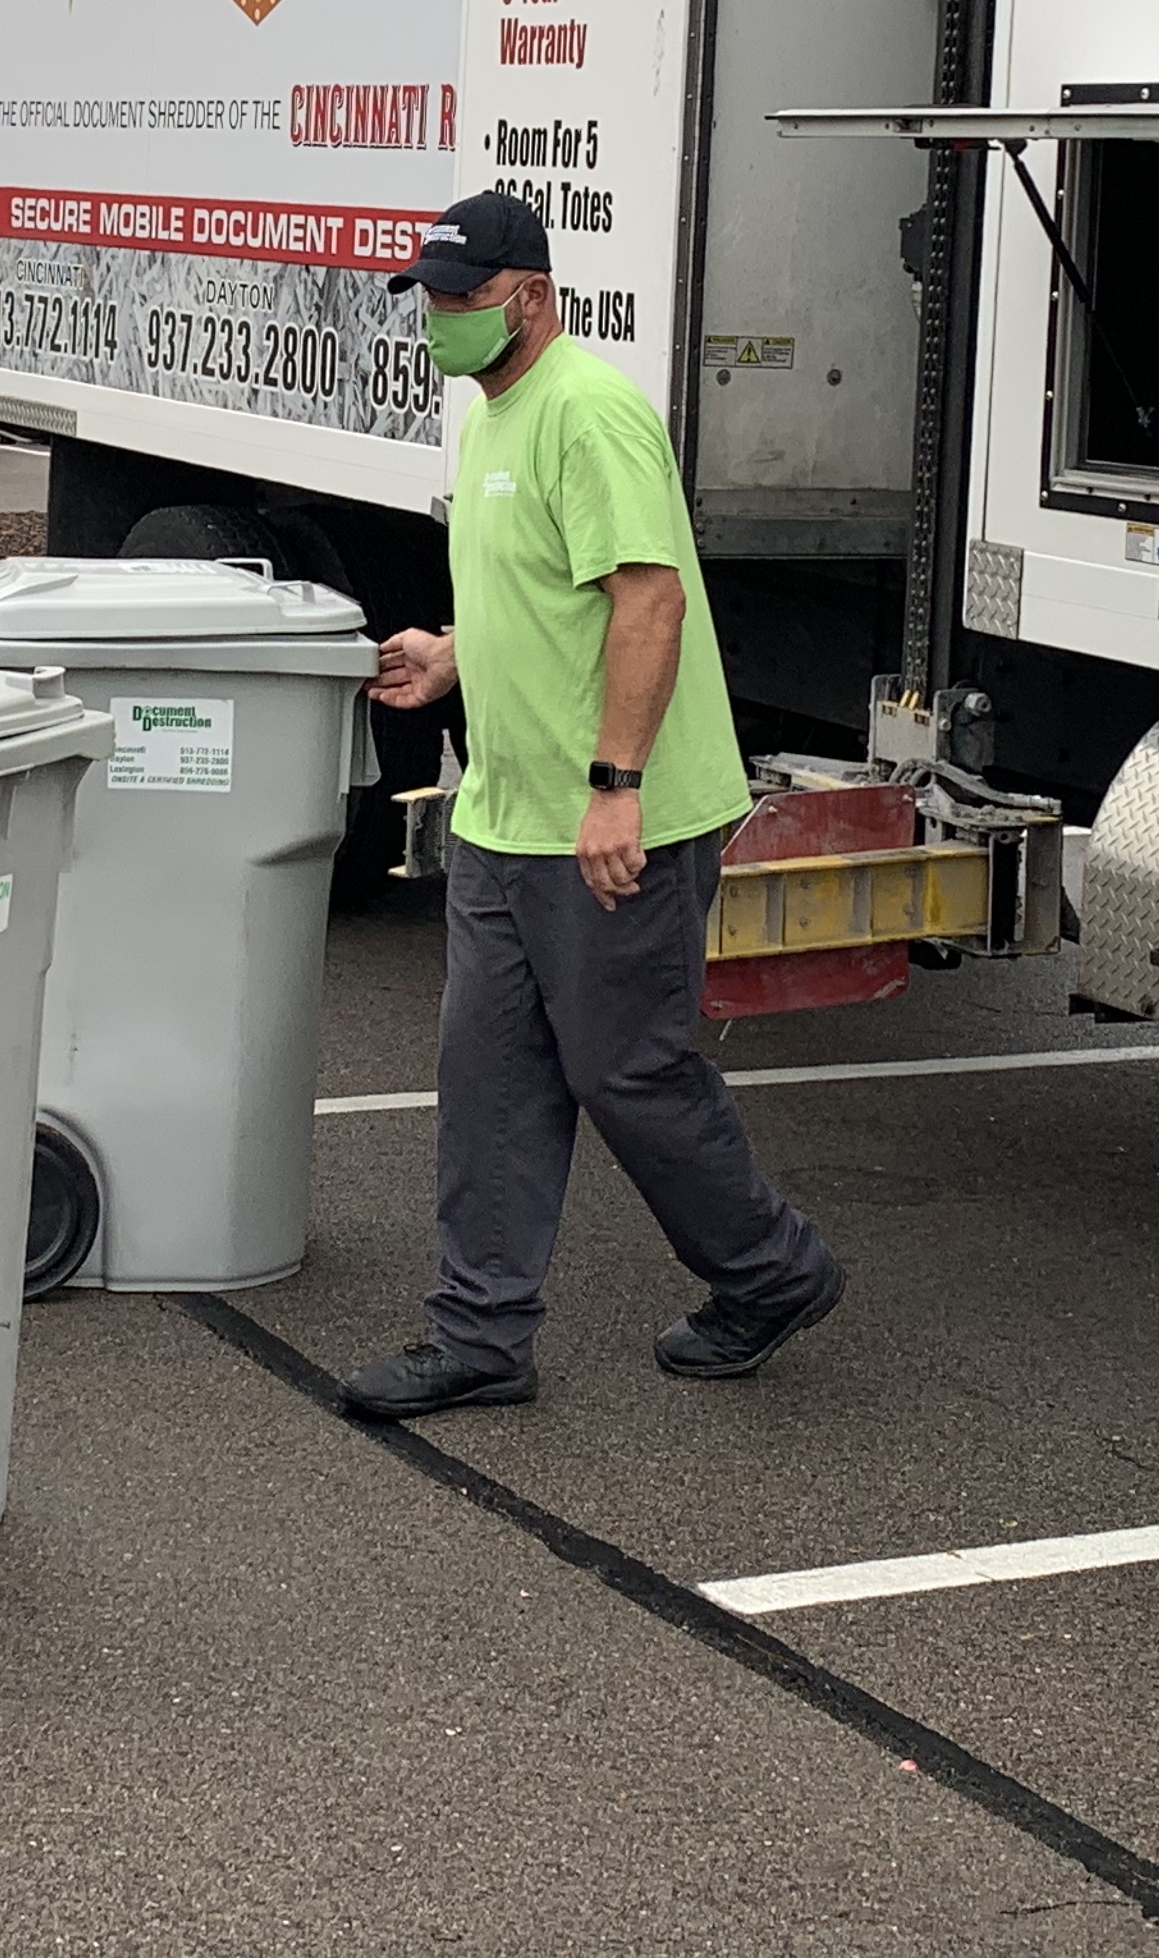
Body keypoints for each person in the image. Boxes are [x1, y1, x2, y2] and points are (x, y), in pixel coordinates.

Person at [339, 190, 844, 1420]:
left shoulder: (590, 410)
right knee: (491, 1079)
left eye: (462, 300)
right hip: (507, 815)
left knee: (627, 1071)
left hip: (612, 819)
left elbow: (649, 601)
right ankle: (479, 1336)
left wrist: (615, 786)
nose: (441, 321)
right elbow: (544, 588)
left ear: (531, 295)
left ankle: (771, 1271)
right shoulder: (494, 416)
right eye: (432, 301)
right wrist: (457, 653)